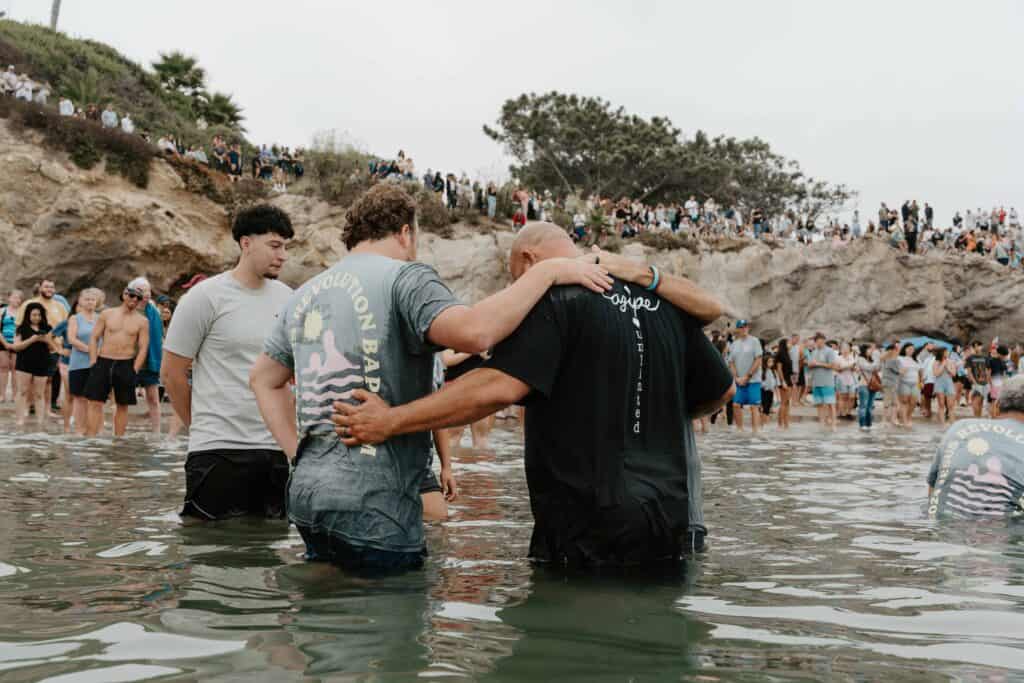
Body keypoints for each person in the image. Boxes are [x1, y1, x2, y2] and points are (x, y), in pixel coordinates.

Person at [329, 220, 732, 567]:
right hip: (672, 519)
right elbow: (723, 389)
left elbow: (497, 387)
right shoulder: (664, 304)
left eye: (513, 278)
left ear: (529, 260)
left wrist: (392, 421)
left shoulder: (556, 297)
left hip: (587, 525)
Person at [249, 191, 616, 570]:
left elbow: (263, 379)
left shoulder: (306, 293)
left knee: (325, 610)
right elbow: (475, 333)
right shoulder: (407, 278)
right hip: (377, 503)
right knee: (389, 619)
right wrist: (548, 271)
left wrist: (299, 453)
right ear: (406, 233)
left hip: (309, 495)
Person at [162, 205, 295, 521]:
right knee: (211, 556)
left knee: (269, 555)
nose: (284, 255)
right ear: (246, 243)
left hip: (275, 450)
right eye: (275, 245)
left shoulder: (289, 298)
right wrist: (200, 427)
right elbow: (171, 373)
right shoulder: (205, 297)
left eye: (286, 246)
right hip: (217, 449)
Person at [927, 374, 1024, 518]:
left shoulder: (959, 427)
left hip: (941, 528)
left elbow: (932, 491)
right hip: (1002, 533)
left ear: (996, 407)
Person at [84, 283, 149, 437]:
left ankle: (118, 440)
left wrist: (135, 369)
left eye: (138, 298)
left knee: (122, 404)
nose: (134, 300)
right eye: (132, 295)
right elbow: (94, 337)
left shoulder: (142, 321)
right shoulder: (107, 314)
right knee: (95, 401)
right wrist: (93, 360)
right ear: (124, 295)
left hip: (126, 363)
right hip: (104, 360)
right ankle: (91, 438)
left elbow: (143, 347)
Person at [9, 303, 55, 429]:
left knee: (40, 394)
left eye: (39, 315)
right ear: (28, 315)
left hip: (42, 362)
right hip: (24, 362)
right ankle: (20, 420)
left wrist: (46, 340)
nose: (37, 317)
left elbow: (53, 348)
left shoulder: (48, 328)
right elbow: (16, 347)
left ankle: (40, 421)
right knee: (22, 391)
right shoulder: (21, 328)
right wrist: (32, 339)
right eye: (34, 315)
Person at [129, 278, 164, 434]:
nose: (146, 294)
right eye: (142, 290)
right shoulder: (129, 309)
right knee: (120, 399)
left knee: (154, 399)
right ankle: (118, 432)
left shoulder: (154, 311)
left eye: (148, 290)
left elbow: (159, 336)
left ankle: (156, 432)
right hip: (129, 359)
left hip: (150, 361)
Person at [66, 288, 101, 436]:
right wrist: (89, 349)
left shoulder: (101, 318)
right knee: (79, 398)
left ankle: (95, 430)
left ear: (97, 302)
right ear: (80, 301)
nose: (90, 302)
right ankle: (79, 429)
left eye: (92, 299)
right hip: (78, 363)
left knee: (96, 399)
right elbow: (72, 339)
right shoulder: (75, 318)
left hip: (97, 363)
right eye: (87, 299)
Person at [727, 321, 762, 433]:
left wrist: (747, 376)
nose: (743, 329)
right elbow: (731, 362)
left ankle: (755, 432)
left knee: (754, 406)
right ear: (737, 329)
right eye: (741, 327)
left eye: (745, 326)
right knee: (736, 405)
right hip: (739, 380)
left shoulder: (754, 341)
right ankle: (740, 430)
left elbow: (758, 359)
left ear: (748, 328)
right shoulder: (734, 344)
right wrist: (736, 377)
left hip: (753, 379)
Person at [806, 332, 839, 428]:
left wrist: (819, 364)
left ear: (824, 341)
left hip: (827, 381)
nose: (820, 343)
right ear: (815, 342)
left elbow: (832, 365)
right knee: (819, 404)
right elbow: (810, 365)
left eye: (822, 341)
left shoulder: (829, 351)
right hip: (816, 382)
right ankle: (821, 424)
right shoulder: (814, 351)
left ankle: (833, 424)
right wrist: (811, 364)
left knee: (830, 403)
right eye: (818, 342)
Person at [0, 290, 23, 402]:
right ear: (9, 298)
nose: (16, 300)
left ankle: (15, 395)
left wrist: (16, 343)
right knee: (3, 368)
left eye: (19, 298)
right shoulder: (2, 311)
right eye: (14, 297)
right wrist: (5, 343)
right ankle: (2, 395)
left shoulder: (22, 312)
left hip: (17, 343)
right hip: (2, 342)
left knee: (15, 369)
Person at [856, 343, 880, 430]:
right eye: (869, 349)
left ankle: (869, 424)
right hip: (863, 384)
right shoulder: (860, 359)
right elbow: (869, 368)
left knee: (870, 406)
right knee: (863, 406)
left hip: (872, 384)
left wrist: (876, 360)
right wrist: (877, 359)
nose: (871, 351)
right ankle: (862, 424)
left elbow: (878, 368)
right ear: (864, 350)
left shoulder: (871, 359)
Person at [897, 343, 921, 429]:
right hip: (904, 382)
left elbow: (919, 371)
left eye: (912, 349)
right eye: (909, 348)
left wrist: (921, 382)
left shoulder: (916, 359)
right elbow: (896, 370)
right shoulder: (900, 358)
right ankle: (904, 420)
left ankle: (908, 416)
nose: (911, 350)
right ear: (905, 349)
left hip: (915, 383)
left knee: (913, 402)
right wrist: (901, 371)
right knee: (904, 402)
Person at [965, 341, 992, 418]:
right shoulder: (970, 358)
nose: (979, 348)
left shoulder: (985, 358)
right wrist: (974, 382)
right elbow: (969, 372)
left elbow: (988, 370)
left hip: (984, 383)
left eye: (980, 346)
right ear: (974, 347)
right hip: (975, 382)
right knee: (975, 401)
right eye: (977, 346)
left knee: (981, 402)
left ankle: (978, 418)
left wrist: (987, 381)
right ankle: (976, 418)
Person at [932, 347, 956, 426]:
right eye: (946, 352)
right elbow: (936, 374)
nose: (947, 353)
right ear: (941, 353)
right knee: (941, 404)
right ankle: (942, 423)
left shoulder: (951, 361)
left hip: (949, 383)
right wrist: (943, 364)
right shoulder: (936, 362)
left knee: (951, 405)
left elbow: (954, 374)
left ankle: (952, 423)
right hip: (939, 384)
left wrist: (948, 368)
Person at [774, 338, 793, 430]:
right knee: (783, 402)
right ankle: (780, 424)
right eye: (788, 343)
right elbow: (779, 369)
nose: (790, 344)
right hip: (784, 380)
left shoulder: (787, 354)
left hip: (788, 379)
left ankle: (786, 423)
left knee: (787, 403)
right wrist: (783, 381)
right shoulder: (780, 354)